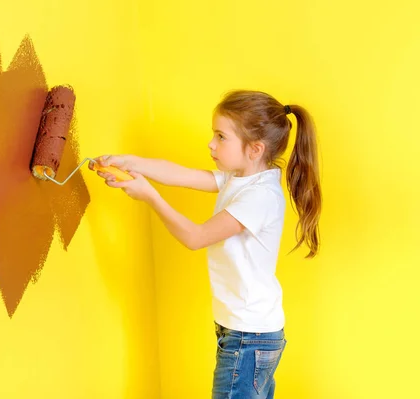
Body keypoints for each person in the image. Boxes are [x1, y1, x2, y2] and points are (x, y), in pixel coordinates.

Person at [89, 89, 322, 398]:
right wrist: (129, 162)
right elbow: (180, 174)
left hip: (248, 337)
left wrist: (150, 196)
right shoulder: (242, 178)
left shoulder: (259, 196)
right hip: (250, 333)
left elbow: (195, 237)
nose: (211, 144)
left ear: (255, 149)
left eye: (221, 137)